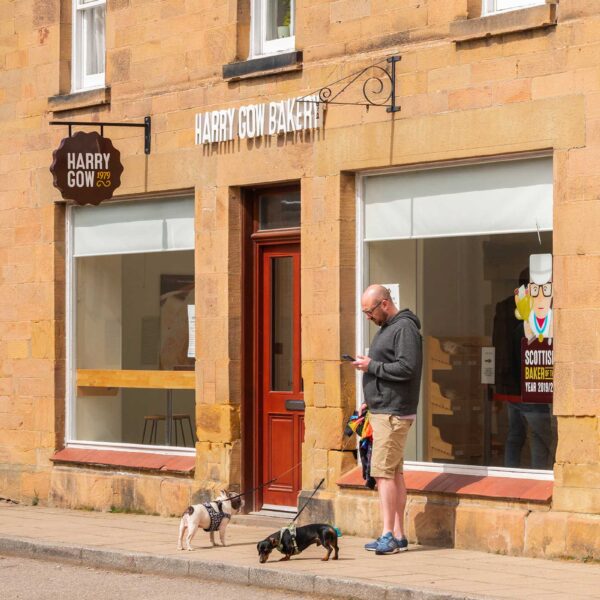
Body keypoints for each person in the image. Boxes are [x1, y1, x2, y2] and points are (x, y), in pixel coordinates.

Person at [352, 285, 423, 555]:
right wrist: (369, 399)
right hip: (383, 409)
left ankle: (387, 535)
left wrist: (371, 366)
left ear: (384, 304)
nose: (368, 317)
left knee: (382, 473)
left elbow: (407, 368)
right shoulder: (389, 327)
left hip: (393, 413)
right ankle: (398, 534)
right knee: (393, 472)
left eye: (369, 311)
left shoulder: (404, 328)